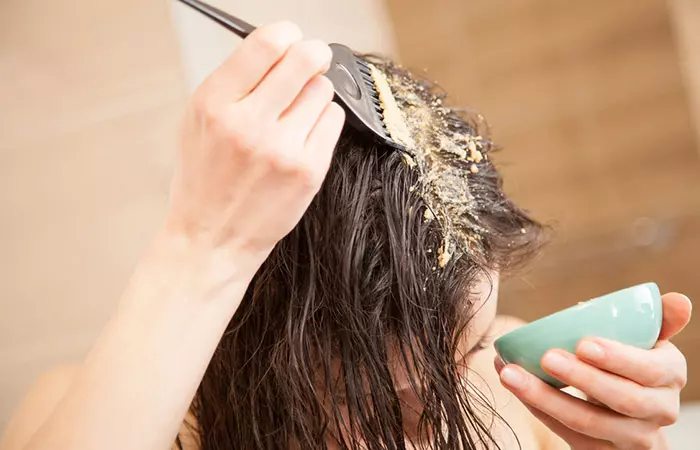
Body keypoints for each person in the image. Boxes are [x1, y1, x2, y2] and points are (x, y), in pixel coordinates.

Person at [0, 22, 691, 450]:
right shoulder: (91, 416)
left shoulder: (507, 396)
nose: (435, 422)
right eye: (377, 400)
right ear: (256, 350)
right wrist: (200, 244)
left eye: (469, 346)